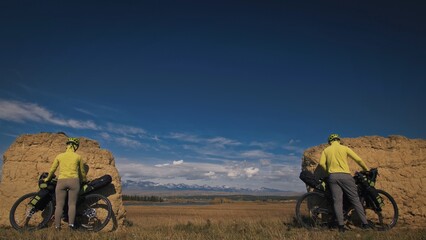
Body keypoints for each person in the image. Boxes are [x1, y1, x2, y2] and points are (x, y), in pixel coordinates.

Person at [319, 133, 372, 232]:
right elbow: (358, 159)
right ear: (338, 140)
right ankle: (365, 224)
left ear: (330, 142)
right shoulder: (344, 148)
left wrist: (329, 171)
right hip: (346, 176)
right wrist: (366, 169)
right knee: (355, 200)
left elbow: (321, 163)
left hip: (333, 177)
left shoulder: (326, 150)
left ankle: (341, 227)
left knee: (337, 202)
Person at [44, 137, 87, 230]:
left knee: (59, 205)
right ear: (75, 146)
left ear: (67, 145)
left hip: (61, 181)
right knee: (72, 204)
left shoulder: (59, 156)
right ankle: (71, 225)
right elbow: (82, 172)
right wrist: (84, 180)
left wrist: (47, 178)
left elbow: (52, 169)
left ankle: (57, 226)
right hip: (74, 181)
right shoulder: (78, 157)